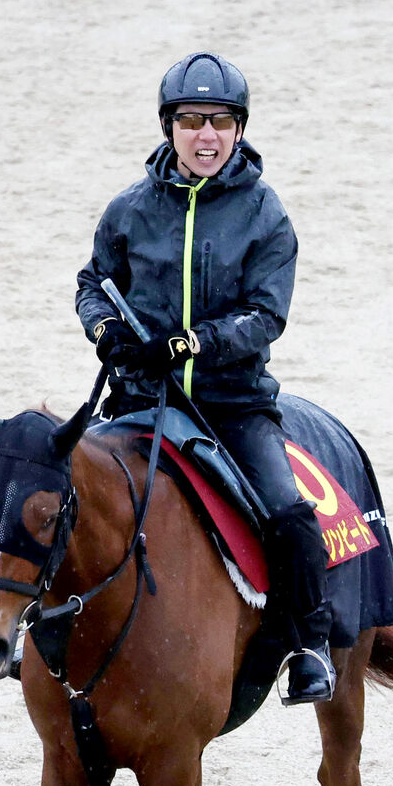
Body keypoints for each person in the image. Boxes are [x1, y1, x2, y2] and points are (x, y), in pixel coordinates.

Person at [75, 52, 334, 704]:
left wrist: (192, 342)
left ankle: (309, 647)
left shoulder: (267, 215)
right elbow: (91, 285)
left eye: (220, 120)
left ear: (239, 129)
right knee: (64, 495)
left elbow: (265, 317)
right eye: (191, 120)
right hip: (140, 399)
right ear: (170, 129)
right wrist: (105, 330)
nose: (206, 135)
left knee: (290, 514)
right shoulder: (128, 209)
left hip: (233, 405)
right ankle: (41, 634)